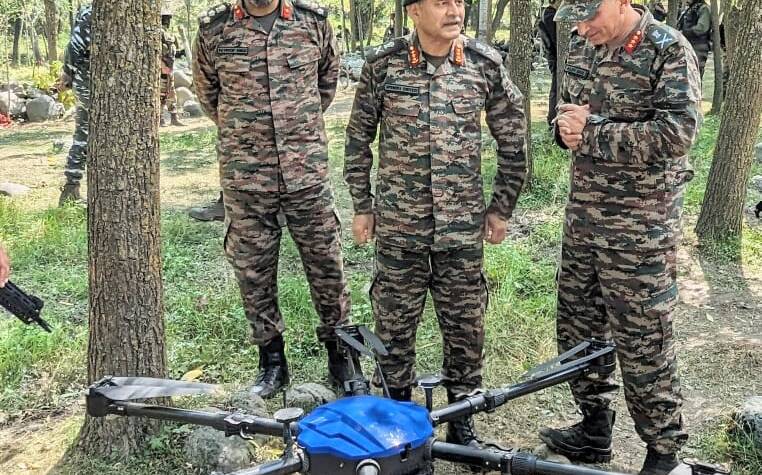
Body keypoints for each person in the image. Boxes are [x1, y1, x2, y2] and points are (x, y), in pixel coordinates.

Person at [344, 0, 527, 448]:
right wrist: (362, 204)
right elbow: (357, 138)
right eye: (441, 2)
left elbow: (514, 138)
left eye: (459, 1)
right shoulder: (383, 65)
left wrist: (501, 208)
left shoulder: (483, 64)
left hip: (461, 230)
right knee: (393, 331)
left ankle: (462, 423)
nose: (454, 10)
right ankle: (396, 424)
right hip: (399, 229)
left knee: (466, 329)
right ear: (414, 11)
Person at [544, 1, 701, 474]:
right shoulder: (581, 47)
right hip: (584, 222)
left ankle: (663, 453)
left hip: (640, 233)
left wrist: (592, 132)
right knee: (578, 330)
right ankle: (593, 429)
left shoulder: (667, 49)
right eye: (574, 17)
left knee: (643, 341)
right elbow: (569, 114)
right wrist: (565, 129)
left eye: (589, 14)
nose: (580, 27)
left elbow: (678, 133)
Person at [193, 0, 354, 398]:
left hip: (306, 171)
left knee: (327, 264)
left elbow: (326, 85)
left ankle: (341, 356)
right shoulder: (214, 30)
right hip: (246, 175)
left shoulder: (312, 23)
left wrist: (295, 128)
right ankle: (272, 361)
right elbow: (209, 97)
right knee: (253, 272)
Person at [58, 5, 92, 206]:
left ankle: (71, 185)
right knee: (85, 134)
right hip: (90, 82)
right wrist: (68, 73)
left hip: (90, 81)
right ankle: (71, 186)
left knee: (83, 134)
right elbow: (75, 46)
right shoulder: (93, 11)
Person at [537, 0, 561, 127]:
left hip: (554, 56)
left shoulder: (549, 14)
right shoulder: (550, 15)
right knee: (556, 88)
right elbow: (557, 39)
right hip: (555, 57)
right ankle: (552, 120)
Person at [160, 8, 186, 127]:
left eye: (169, 18)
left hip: (169, 68)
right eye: (165, 18)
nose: (167, 20)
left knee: (171, 92)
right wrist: (162, 65)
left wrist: (182, 52)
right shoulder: (158, 33)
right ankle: (160, 118)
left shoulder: (171, 35)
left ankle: (174, 117)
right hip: (161, 68)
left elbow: (175, 52)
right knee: (161, 93)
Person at [677, 0, 711, 78]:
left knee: (695, 74)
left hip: (698, 47)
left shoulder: (704, 8)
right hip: (686, 45)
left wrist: (685, 32)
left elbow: (702, 28)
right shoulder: (689, 9)